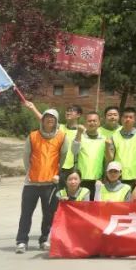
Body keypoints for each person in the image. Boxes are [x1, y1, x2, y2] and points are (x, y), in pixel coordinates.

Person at [15, 108, 68, 254]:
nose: (50, 120)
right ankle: (21, 241)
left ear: (56, 121)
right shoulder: (33, 136)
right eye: (47, 117)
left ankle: (44, 239)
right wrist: (30, 172)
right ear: (42, 120)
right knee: (26, 213)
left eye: (53, 118)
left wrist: (58, 173)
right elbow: (26, 156)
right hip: (31, 183)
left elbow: (63, 156)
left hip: (50, 184)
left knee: (49, 214)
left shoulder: (62, 137)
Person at [107, 107, 136, 186]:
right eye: (125, 117)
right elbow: (110, 158)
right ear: (121, 119)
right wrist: (107, 147)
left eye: (130, 117)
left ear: (134, 119)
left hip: (135, 177)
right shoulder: (114, 136)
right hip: (117, 177)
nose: (128, 119)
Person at [70, 112, 106, 195]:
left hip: (97, 181)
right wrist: (79, 133)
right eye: (89, 121)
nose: (92, 123)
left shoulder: (104, 139)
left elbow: (106, 160)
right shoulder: (80, 137)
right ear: (85, 123)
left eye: (94, 121)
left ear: (99, 123)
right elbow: (74, 151)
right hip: (81, 180)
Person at [57, 105, 83, 185]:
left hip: (72, 169)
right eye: (67, 111)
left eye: (71, 111)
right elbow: (45, 120)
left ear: (78, 115)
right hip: (57, 166)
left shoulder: (82, 131)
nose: (68, 112)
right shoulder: (59, 127)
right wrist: (33, 108)